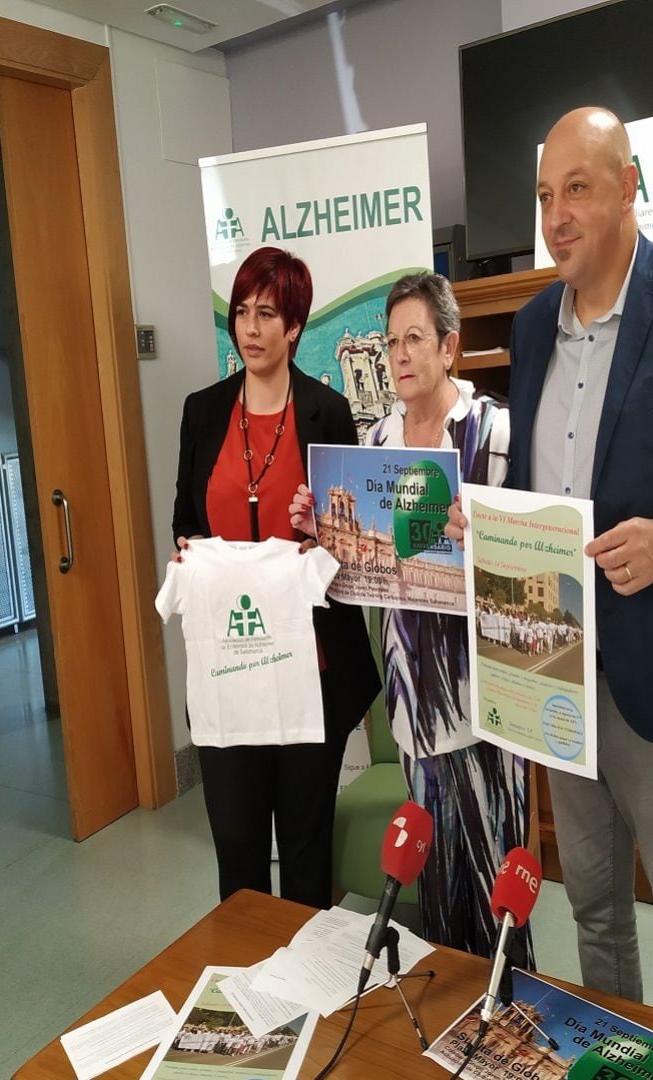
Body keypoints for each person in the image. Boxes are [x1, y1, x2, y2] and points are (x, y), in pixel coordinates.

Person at [448, 108, 653, 1079]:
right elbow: (547, 488)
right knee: (593, 910)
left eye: (579, 188)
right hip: (556, 668)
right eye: (546, 195)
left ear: (629, 185)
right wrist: (493, 517)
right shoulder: (529, 326)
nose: (557, 215)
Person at [291, 272, 532, 960]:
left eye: (416, 339)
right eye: (392, 341)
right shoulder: (375, 444)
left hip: (488, 694)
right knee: (437, 876)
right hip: (414, 697)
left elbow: (534, 558)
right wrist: (321, 534)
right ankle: (451, 1018)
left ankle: (502, 1010)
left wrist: (481, 536)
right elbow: (358, 571)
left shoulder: (497, 433)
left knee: (494, 874)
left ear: (450, 347)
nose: (400, 355)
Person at [171, 245, 380, 910]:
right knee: (236, 847)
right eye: (241, 312)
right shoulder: (202, 412)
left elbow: (355, 547)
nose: (251, 328)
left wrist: (323, 529)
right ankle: (251, 999)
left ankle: (309, 997)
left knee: (306, 849)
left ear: (295, 326)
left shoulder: (328, 412)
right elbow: (185, 518)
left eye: (267, 313)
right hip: (231, 673)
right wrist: (189, 552)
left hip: (310, 675)